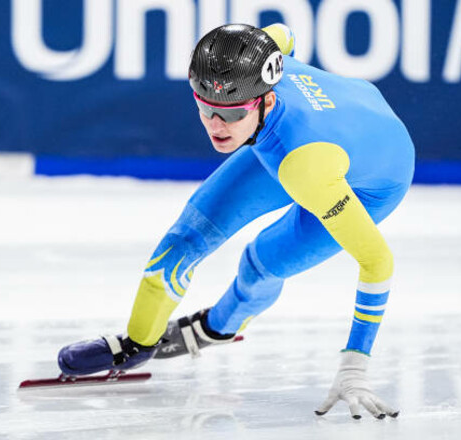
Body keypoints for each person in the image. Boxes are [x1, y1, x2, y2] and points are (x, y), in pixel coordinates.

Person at [57, 23, 414, 420]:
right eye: (205, 108)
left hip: (370, 178)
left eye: (231, 113)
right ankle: (138, 345)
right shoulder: (255, 65)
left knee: (261, 263)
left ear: (266, 99)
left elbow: (377, 261)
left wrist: (355, 365)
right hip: (315, 131)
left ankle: (218, 327)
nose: (216, 125)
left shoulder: (302, 166)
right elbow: (283, 33)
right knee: (183, 242)